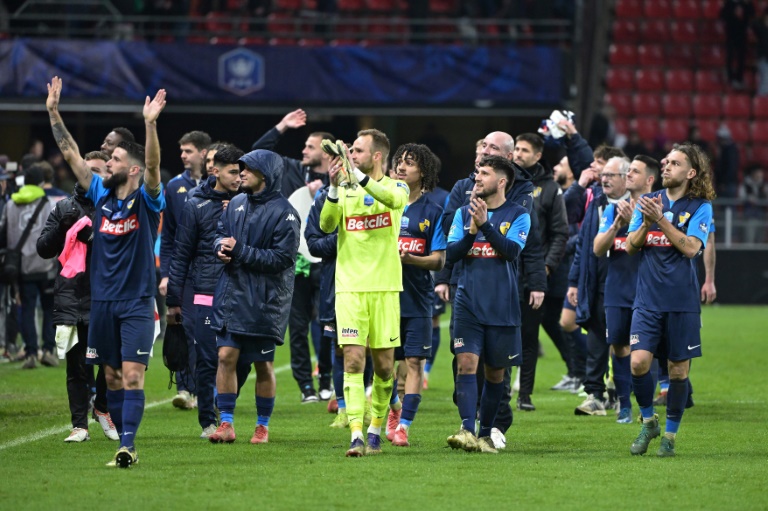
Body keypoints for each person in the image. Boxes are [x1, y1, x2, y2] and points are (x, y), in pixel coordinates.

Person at [46, 76, 167, 467]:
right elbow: (71, 156)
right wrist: (53, 112)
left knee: (132, 376)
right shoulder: (100, 196)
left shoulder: (147, 200)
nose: (107, 162)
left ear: (130, 170)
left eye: (114, 160)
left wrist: (149, 124)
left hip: (135, 302)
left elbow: (152, 164)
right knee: (111, 378)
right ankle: (119, 432)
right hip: (102, 303)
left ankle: (127, 445)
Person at [319, 128, 408, 457]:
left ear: (377, 156)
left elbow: (394, 201)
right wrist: (332, 187)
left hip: (384, 289)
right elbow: (326, 226)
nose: (351, 156)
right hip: (350, 289)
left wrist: (355, 175)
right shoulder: (343, 189)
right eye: (350, 151)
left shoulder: (396, 186)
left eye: (358, 151)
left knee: (385, 369)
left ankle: (375, 428)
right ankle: (357, 434)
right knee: (353, 361)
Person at [625, 143, 715, 457]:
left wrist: (661, 221)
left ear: (691, 173)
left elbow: (691, 248)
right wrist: (648, 222)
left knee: (678, 372)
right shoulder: (648, 203)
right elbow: (631, 246)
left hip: (681, 302)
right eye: (666, 162)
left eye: (674, 163)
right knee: (637, 363)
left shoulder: (700, 206)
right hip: (647, 300)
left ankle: (670, 437)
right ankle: (649, 421)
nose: (666, 167)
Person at [208, 149, 300, 445]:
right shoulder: (235, 203)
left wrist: (239, 251)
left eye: (247, 168)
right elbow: (220, 234)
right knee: (225, 356)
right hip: (231, 295)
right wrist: (219, 249)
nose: (241, 173)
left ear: (266, 174)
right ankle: (226, 423)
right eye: (240, 168)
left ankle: (262, 426)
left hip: (265, 302)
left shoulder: (285, 213)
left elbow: (282, 259)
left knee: (263, 365)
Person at [445, 155, 530, 454]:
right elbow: (452, 254)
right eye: (477, 172)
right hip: (467, 302)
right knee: (466, 365)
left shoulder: (519, 214)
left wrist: (487, 226)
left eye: (484, 173)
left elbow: (510, 252)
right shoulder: (461, 213)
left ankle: (485, 434)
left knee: (495, 374)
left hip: (502, 306)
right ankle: (466, 429)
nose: (477, 178)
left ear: (502, 181)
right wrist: (472, 230)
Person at [35, 150, 119, 442]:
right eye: (86, 169)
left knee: (111, 362)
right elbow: (43, 248)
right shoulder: (63, 208)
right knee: (76, 366)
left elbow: (122, 252)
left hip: (108, 296)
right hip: (72, 295)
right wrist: (64, 228)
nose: (90, 175)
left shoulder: (117, 206)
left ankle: (103, 408)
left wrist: (93, 238)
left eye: (97, 170)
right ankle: (79, 425)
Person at [252, 110, 334, 401]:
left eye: (310, 147)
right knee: (297, 326)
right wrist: (281, 126)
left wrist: (326, 190)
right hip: (294, 261)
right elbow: (257, 154)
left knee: (328, 323)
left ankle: (326, 379)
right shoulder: (291, 170)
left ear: (326, 152)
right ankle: (306, 387)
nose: (303, 151)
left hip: (327, 259)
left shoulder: (342, 177)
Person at [166, 145, 243, 439]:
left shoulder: (247, 201)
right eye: (233, 172)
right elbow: (181, 254)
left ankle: (225, 410)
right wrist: (174, 301)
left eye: (241, 172)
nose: (238, 177)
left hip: (240, 292)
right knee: (209, 359)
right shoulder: (195, 205)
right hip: (206, 292)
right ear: (215, 171)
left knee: (240, 360)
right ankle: (209, 421)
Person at [592, 155, 659, 424]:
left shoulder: (659, 209)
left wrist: (640, 226)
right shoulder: (613, 210)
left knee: (646, 349)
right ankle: (624, 405)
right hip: (618, 289)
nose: (628, 175)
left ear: (649, 179)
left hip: (649, 290)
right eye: (627, 170)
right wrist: (618, 225)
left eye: (634, 171)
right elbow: (598, 249)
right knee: (619, 347)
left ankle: (646, 406)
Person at [386, 143, 445, 447]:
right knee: (383, 365)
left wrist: (410, 260)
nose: (401, 166)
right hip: (384, 296)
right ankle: (393, 409)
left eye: (409, 163)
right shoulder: (381, 204)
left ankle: (404, 427)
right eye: (398, 161)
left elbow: (439, 259)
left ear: (423, 171)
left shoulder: (433, 211)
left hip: (417, 298)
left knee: (414, 363)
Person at [564, 144, 629, 416]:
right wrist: (574, 281)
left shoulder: (643, 203)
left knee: (624, 342)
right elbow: (583, 246)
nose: (604, 178)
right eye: (604, 175)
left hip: (628, 282)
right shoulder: (598, 200)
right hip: (596, 280)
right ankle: (595, 394)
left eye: (611, 175)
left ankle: (624, 395)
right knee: (595, 335)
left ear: (628, 177)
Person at [512, 133, 568, 412]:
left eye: (525, 150)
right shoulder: (504, 182)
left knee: (529, 336)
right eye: (516, 148)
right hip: (504, 271)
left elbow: (560, 232)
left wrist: (545, 266)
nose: (518, 154)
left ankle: (524, 394)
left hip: (532, 273)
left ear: (537, 156)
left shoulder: (550, 189)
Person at [160, 129, 212, 410]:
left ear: (203, 153)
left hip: (212, 271)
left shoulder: (219, 184)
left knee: (209, 332)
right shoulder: (173, 187)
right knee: (184, 326)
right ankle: (185, 389)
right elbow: (167, 236)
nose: (182, 155)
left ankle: (210, 389)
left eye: (188, 151)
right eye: (181, 151)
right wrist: (166, 274)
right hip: (184, 272)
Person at [0, 164, 57, 369]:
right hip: (46, 265)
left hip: (22, 267)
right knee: (50, 309)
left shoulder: (11, 204)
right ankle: (49, 350)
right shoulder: (48, 203)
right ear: (42, 182)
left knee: (27, 308)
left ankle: (31, 352)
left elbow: (4, 234)